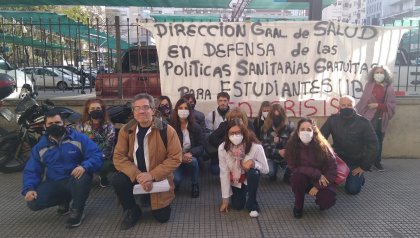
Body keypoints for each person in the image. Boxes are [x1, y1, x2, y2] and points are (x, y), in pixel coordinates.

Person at [111, 93, 182, 230]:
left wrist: (151, 175)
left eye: (145, 107)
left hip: (158, 176)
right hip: (135, 174)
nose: (141, 111)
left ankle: (151, 199)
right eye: (137, 108)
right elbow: (119, 157)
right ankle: (132, 210)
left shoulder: (167, 130)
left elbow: (175, 157)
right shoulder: (126, 130)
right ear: (133, 111)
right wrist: (138, 175)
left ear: (153, 110)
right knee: (118, 180)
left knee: (162, 218)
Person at [22, 109, 103, 228]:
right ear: (45, 126)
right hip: (54, 181)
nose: (54, 126)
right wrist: (29, 189)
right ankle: (64, 200)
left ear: (64, 123)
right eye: (50, 124)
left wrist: (84, 166)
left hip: (75, 178)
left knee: (82, 178)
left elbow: (96, 155)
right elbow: (32, 169)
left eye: (58, 122)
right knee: (33, 203)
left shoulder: (79, 138)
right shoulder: (40, 147)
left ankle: (77, 210)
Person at [321, 96, 379, 195]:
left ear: (354, 106)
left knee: (352, 190)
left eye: (349, 105)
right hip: (337, 159)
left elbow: (373, 145)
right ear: (339, 106)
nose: (346, 107)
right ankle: (341, 173)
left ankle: (359, 178)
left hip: (355, 161)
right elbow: (320, 138)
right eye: (343, 105)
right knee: (326, 184)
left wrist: (364, 166)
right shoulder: (332, 120)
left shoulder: (364, 122)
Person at [285, 117, 337, 219]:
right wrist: (315, 172)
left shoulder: (323, 146)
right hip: (304, 179)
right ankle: (298, 205)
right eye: (302, 129)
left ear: (314, 131)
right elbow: (293, 167)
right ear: (297, 131)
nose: (305, 132)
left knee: (327, 201)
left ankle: (321, 201)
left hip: (322, 181)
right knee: (296, 177)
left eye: (309, 129)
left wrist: (317, 186)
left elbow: (333, 168)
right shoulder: (292, 146)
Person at [218, 119, 269, 218]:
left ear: (244, 132)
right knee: (237, 206)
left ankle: (252, 204)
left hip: (249, 178)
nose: (235, 136)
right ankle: (241, 193)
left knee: (254, 173)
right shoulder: (223, 148)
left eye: (238, 132)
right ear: (227, 135)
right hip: (236, 180)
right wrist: (225, 200)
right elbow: (224, 173)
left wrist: (253, 163)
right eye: (232, 133)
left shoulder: (256, 147)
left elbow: (266, 169)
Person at [355, 66, 396, 172]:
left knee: (379, 141)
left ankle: (377, 162)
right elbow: (363, 101)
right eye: (377, 72)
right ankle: (365, 163)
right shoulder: (369, 86)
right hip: (368, 118)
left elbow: (391, 105)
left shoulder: (389, 88)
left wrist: (377, 105)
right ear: (373, 74)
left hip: (380, 119)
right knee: (367, 141)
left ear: (385, 75)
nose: (379, 74)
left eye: (381, 72)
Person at [76, 98, 115, 187]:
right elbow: (78, 143)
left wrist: (97, 158)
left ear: (102, 110)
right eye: (92, 109)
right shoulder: (81, 125)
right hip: (86, 155)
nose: (95, 111)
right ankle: (86, 177)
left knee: (105, 165)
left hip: (102, 156)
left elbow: (109, 145)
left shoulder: (109, 126)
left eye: (98, 109)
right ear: (88, 111)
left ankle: (103, 176)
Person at [170, 98, 203, 198]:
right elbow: (165, 147)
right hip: (175, 158)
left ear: (189, 111)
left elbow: (201, 146)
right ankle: (178, 181)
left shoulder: (195, 127)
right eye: (180, 108)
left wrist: (191, 153)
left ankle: (195, 184)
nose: (183, 110)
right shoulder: (170, 127)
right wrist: (180, 156)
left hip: (189, 157)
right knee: (176, 179)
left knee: (193, 161)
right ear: (176, 110)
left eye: (186, 108)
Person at [208, 107, 255, 175]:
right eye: (232, 118)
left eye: (239, 117)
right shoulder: (224, 125)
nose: (235, 120)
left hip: (244, 154)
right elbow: (212, 137)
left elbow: (252, 140)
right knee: (216, 170)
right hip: (227, 153)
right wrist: (226, 144)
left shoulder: (249, 125)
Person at [259, 104, 294, 182]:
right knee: (270, 173)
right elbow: (264, 147)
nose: (277, 119)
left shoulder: (290, 125)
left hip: (287, 156)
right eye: (274, 116)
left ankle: (287, 173)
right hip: (272, 157)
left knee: (293, 172)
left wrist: (281, 141)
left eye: (279, 116)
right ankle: (274, 170)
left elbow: (294, 143)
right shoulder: (265, 127)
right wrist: (278, 151)